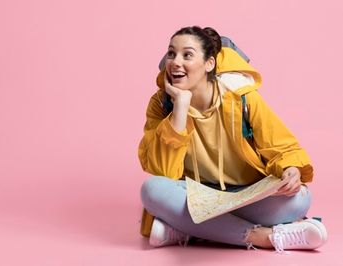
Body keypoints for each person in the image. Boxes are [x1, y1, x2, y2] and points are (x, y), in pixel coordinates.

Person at [138, 26, 327, 253]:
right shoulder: (161, 105)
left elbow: (283, 147)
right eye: (171, 53)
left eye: (187, 55)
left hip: (247, 194)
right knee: (151, 190)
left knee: (299, 199)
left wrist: (291, 169)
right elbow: (164, 173)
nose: (175, 62)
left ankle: (190, 230)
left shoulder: (242, 98)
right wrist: (179, 109)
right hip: (195, 195)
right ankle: (264, 237)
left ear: (209, 63)